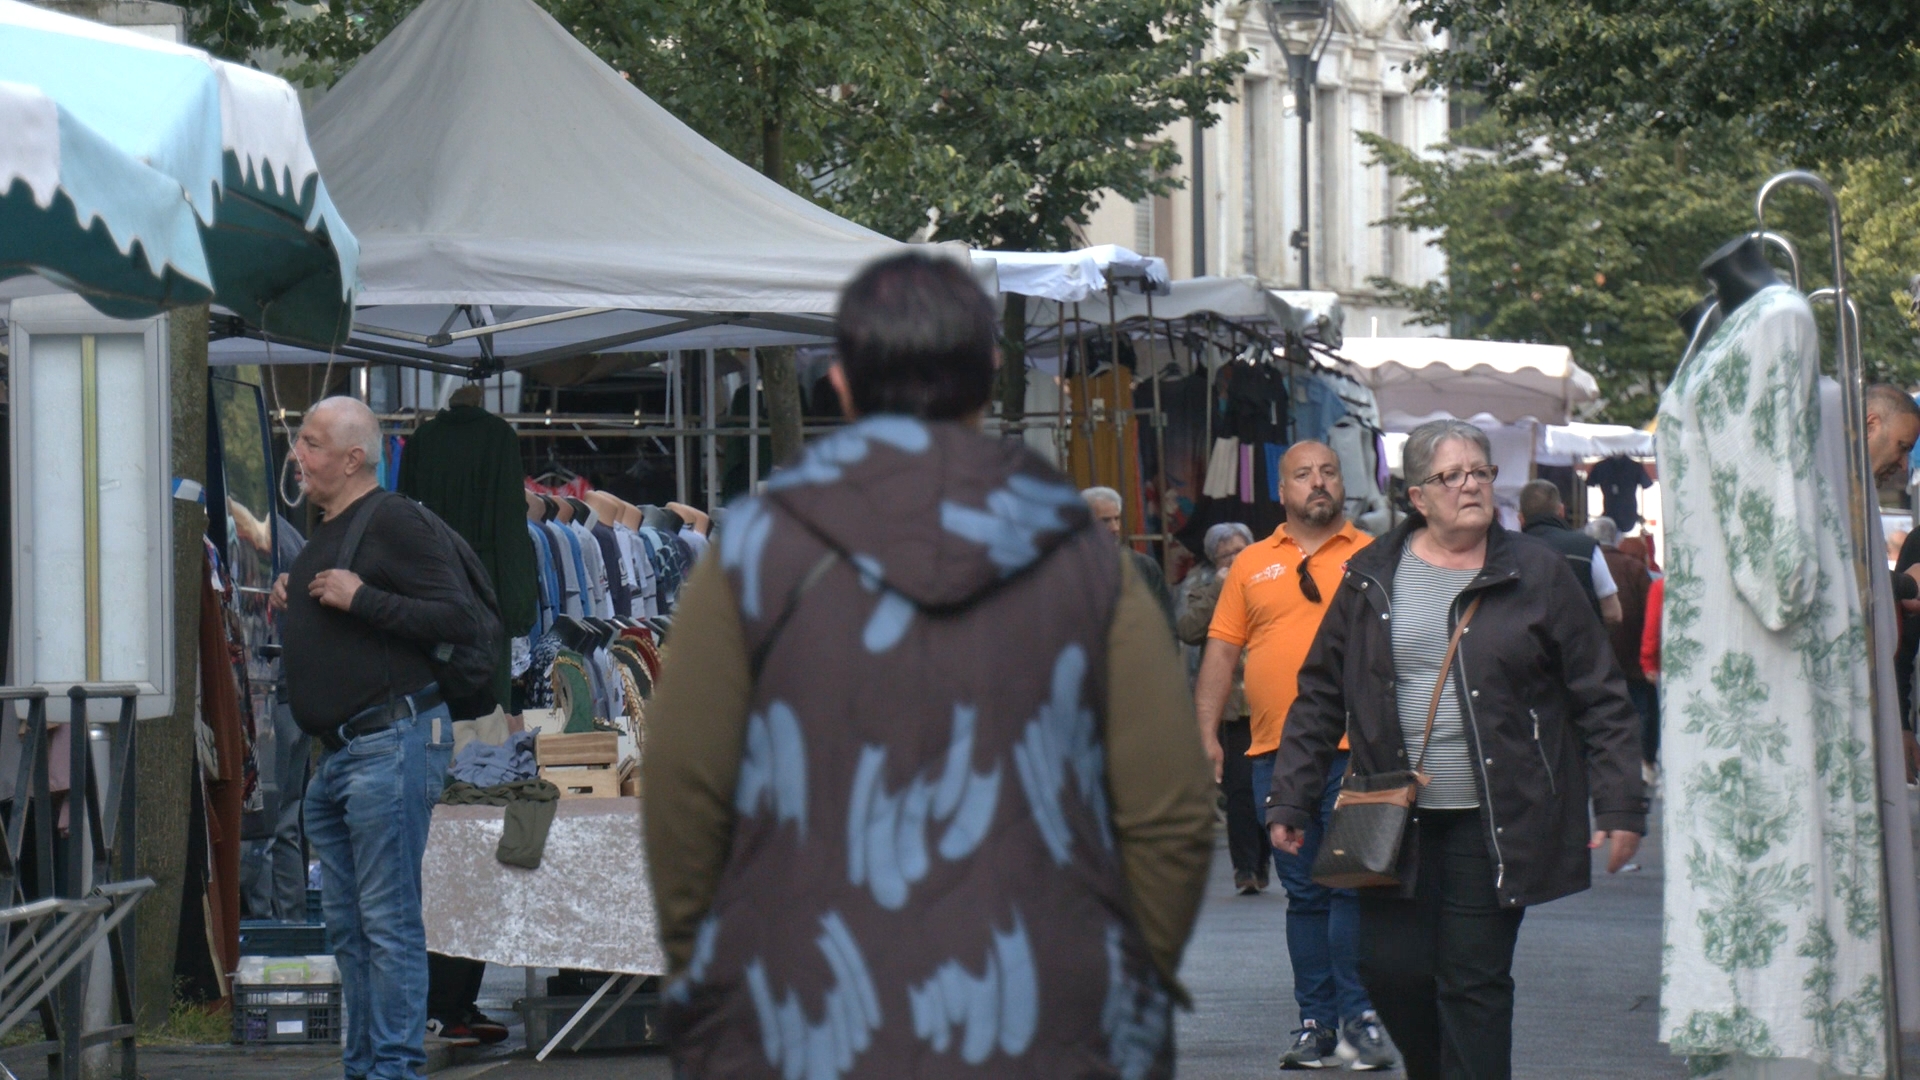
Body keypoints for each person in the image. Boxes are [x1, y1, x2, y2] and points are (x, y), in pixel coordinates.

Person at [642, 251, 1216, 1079]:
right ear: (989, 372)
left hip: (806, 1018)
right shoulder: (1085, 560)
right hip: (1048, 1018)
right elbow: (1168, 811)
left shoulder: (755, 555)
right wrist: (1121, 978)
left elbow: (684, 792)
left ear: (840, 383)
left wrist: (715, 980)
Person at [1269, 418, 1646, 1080]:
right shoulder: (1372, 574)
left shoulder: (1538, 573)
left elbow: (1600, 694)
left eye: (1480, 472)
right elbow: (1321, 692)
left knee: (1472, 980)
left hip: (1496, 815)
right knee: (1390, 972)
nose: (1471, 486)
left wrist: (1619, 802)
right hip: (1392, 815)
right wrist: (1293, 794)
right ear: (1417, 495)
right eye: (1452, 476)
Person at [270, 396, 474, 1080]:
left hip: (387, 743)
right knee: (353, 931)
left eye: (313, 443)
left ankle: (392, 1068)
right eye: (300, 441)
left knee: (386, 925)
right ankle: (368, 1065)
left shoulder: (394, 520)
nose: (298, 454)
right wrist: (292, 596)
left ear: (354, 458)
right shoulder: (327, 528)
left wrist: (362, 599)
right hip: (343, 756)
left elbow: (457, 615)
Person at [1195, 441, 1395, 1072]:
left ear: (1343, 486)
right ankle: (1316, 1025)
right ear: (1281, 490)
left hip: (1357, 751)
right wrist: (1204, 735)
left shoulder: (1375, 555)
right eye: (1303, 475)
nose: (1318, 483)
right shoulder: (1251, 564)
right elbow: (1222, 656)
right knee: (1305, 895)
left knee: (1353, 890)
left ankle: (1360, 1022)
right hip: (1275, 754)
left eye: (1328, 473)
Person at [1175, 521, 1264, 894]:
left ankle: (1266, 859)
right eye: (1228, 554)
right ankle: (1246, 868)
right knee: (1240, 788)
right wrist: (1220, 587)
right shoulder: (1201, 585)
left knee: (1272, 785)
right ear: (1214, 559)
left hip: (1268, 698)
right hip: (1231, 704)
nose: (1237, 558)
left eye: (1242, 549)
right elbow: (1189, 629)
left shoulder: (1268, 574)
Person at [1585, 517, 1657, 781]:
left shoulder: (1587, 565)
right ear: (1615, 538)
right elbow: (1650, 614)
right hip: (1635, 657)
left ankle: (1607, 764)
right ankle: (1645, 764)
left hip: (1599, 657)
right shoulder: (1635, 568)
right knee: (1643, 711)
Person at [1517, 479, 1621, 627]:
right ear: (1561, 511)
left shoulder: (1507, 552)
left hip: (1524, 647)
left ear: (1520, 519)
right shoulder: (1587, 549)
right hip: (1578, 645)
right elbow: (1613, 613)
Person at [1083, 485, 1175, 631]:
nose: (1115, 528)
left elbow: (1166, 624)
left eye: (1117, 519)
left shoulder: (1144, 567)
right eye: (1105, 521)